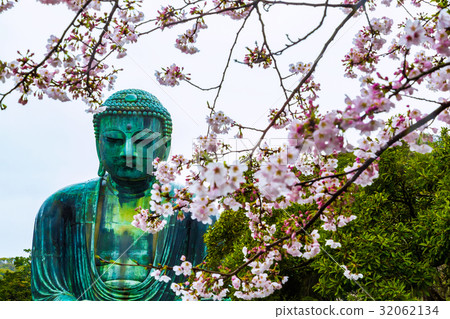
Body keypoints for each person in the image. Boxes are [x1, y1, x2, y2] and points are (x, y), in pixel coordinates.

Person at [31, 89, 208, 300]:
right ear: (99, 145)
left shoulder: (194, 207)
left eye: (143, 142)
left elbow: (208, 295)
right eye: (114, 140)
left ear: (166, 147)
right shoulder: (60, 207)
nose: (127, 152)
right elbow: (48, 296)